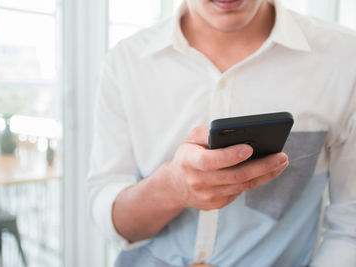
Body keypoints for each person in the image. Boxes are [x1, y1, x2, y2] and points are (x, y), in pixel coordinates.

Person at [87, 0, 356, 266]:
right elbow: (109, 216)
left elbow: (350, 226)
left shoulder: (342, 57)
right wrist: (172, 188)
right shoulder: (125, 62)